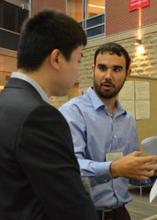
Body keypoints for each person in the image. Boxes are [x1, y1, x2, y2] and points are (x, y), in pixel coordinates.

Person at [0, 9, 98, 220]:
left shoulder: (6, 102)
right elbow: (72, 208)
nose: (78, 70)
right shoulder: (40, 116)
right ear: (56, 58)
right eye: (79, 60)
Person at [60, 42, 157, 220]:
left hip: (120, 213)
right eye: (102, 68)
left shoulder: (128, 120)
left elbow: (131, 175)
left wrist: (150, 172)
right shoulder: (72, 112)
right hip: (83, 214)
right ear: (93, 69)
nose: (107, 76)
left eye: (117, 69)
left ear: (127, 73)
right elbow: (69, 168)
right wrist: (113, 168)